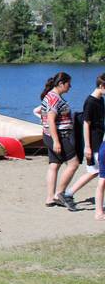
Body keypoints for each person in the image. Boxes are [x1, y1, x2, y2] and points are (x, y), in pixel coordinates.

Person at [62, 74, 105, 210]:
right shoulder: (90, 102)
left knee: (94, 171)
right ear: (101, 86)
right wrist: (87, 146)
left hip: (99, 138)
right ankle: (68, 194)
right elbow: (86, 124)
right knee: (96, 171)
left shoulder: (100, 99)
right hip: (93, 141)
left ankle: (68, 193)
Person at [39, 72, 79, 207]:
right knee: (73, 164)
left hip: (50, 135)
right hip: (58, 136)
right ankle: (59, 194)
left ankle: (50, 198)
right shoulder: (54, 98)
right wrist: (56, 141)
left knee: (54, 165)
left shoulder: (51, 96)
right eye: (69, 84)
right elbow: (50, 119)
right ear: (61, 84)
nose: (70, 86)